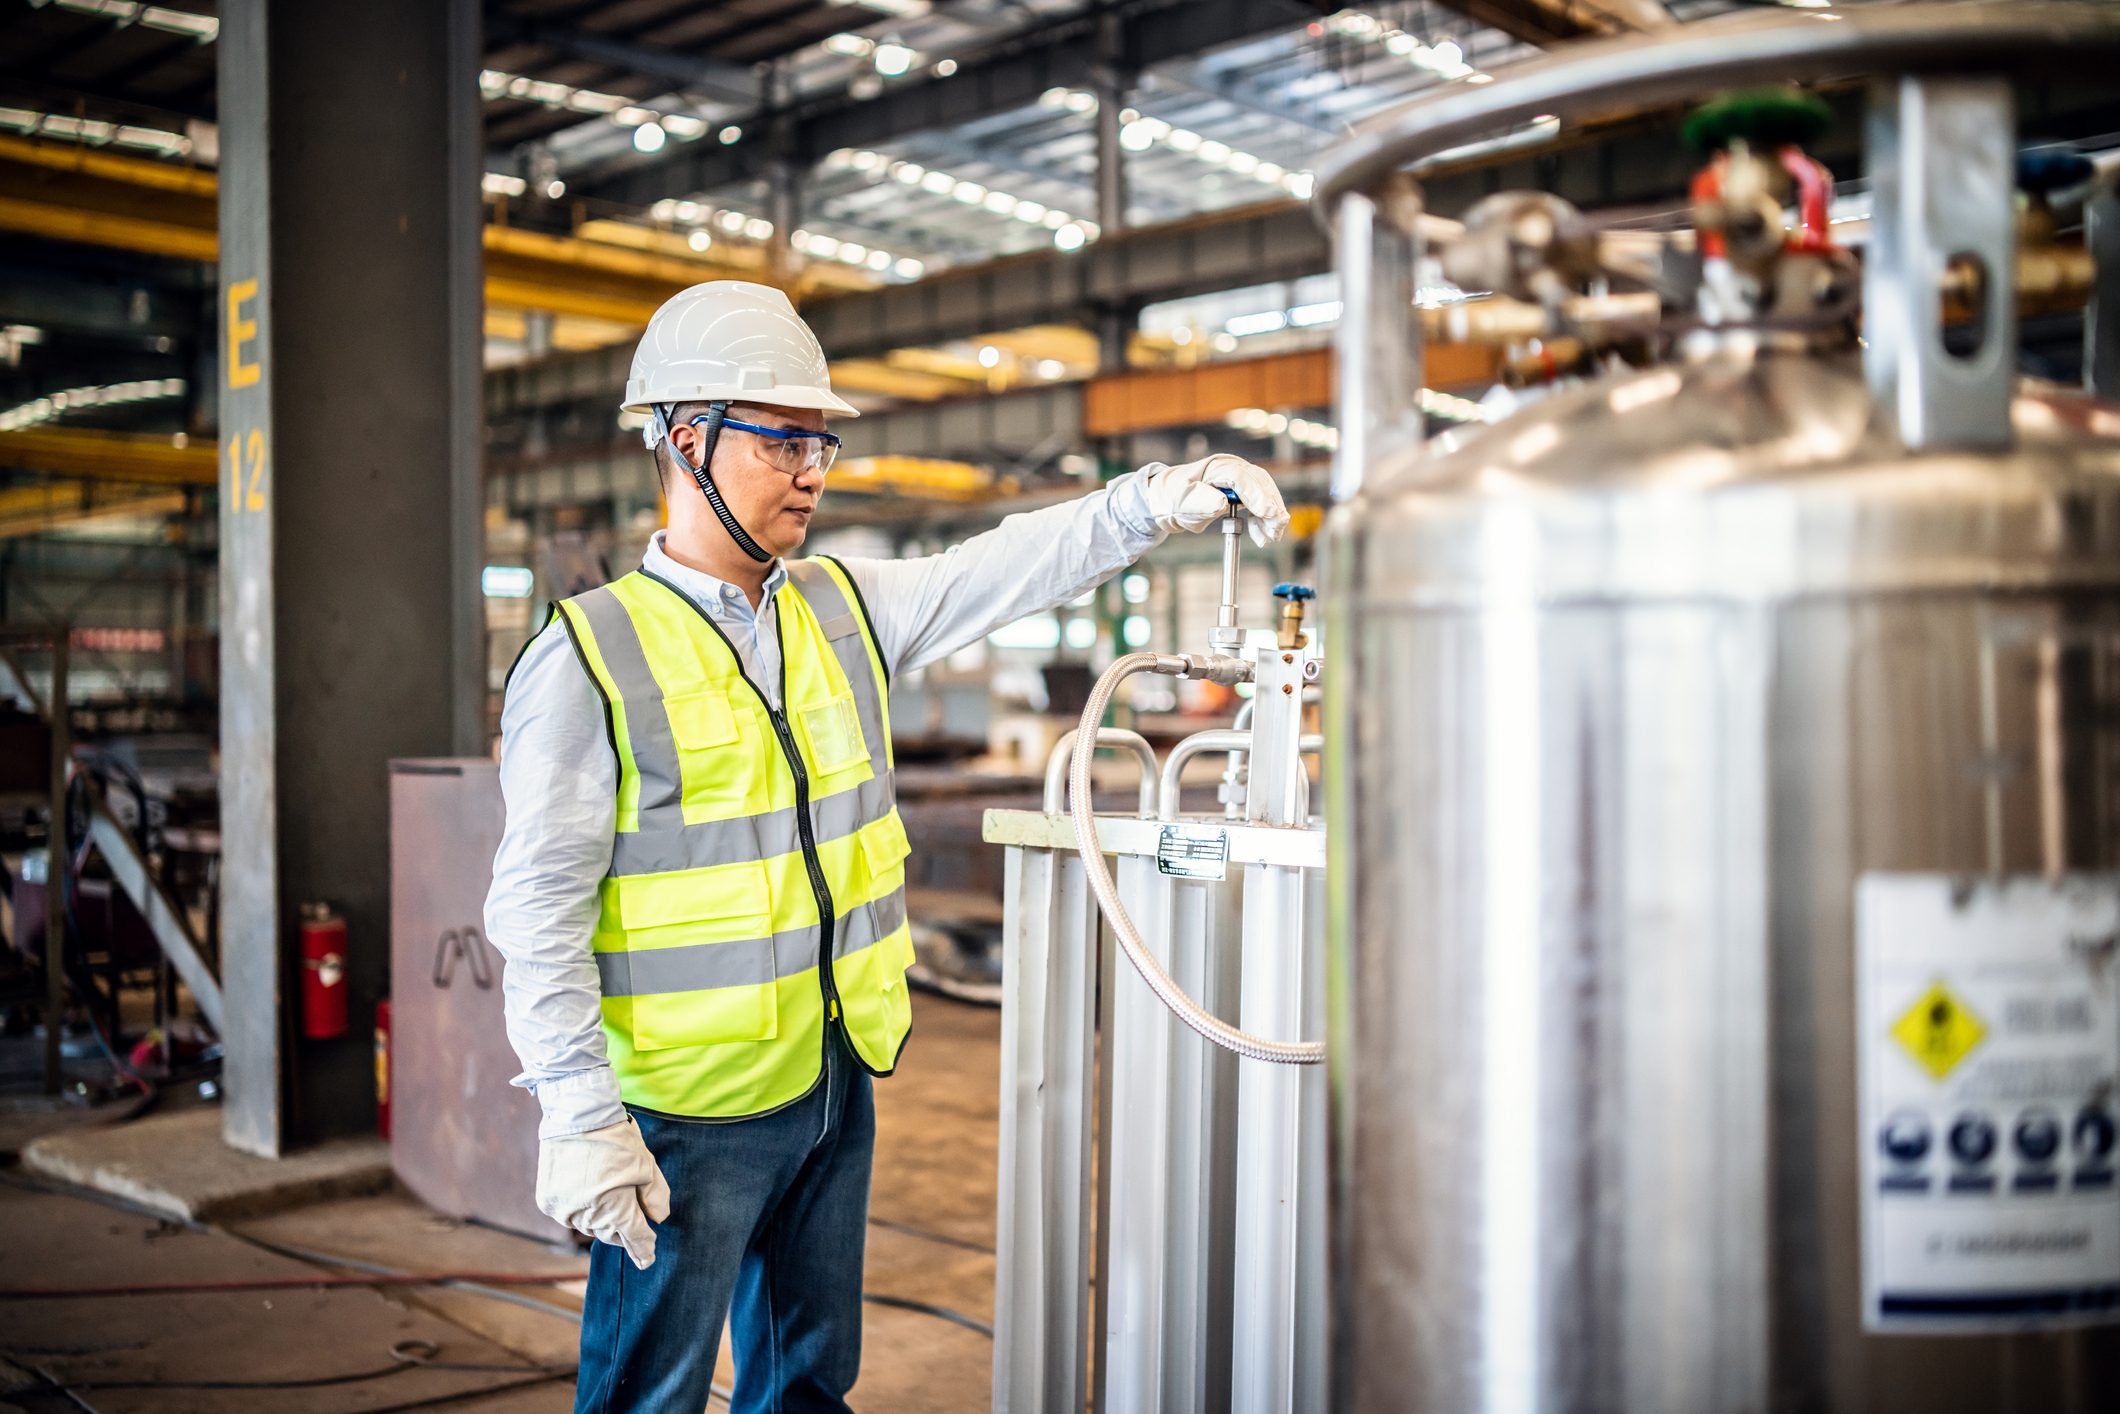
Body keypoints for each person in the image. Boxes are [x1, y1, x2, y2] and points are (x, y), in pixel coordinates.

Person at [485, 280, 1288, 1414]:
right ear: (683, 439)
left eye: (821, 443)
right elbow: (536, 907)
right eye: (782, 441)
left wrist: (1149, 503)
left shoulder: (842, 607)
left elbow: (1004, 564)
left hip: (830, 1075)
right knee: (645, 1398)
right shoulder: (590, 656)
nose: (812, 470)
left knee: (810, 1382)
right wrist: (579, 1113)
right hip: (682, 1113)